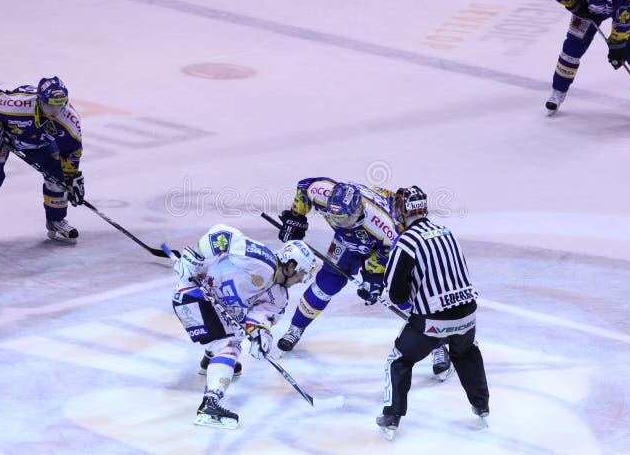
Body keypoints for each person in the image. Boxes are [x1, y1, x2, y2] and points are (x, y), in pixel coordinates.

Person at [275, 177, 452, 379]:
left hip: (386, 247)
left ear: (358, 210)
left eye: (344, 219)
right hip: (348, 241)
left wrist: (373, 277)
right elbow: (304, 188)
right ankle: (295, 328)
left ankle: (438, 344)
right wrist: (297, 216)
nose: (339, 223)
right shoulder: (323, 193)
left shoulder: (383, 225)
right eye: (335, 218)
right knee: (325, 284)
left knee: (403, 297)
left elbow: (390, 250)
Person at [171, 224, 318, 429]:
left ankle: (211, 360)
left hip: (208, 305)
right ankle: (210, 405)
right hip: (192, 294)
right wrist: (196, 256)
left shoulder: (279, 296)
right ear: (291, 265)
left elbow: (260, 319)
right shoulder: (263, 261)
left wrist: (261, 338)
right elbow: (223, 234)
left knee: (238, 328)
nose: (302, 280)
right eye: (302, 273)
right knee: (230, 345)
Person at [376, 186, 489, 440]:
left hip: (432, 321)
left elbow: (397, 295)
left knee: (399, 359)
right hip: (468, 314)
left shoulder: (406, 242)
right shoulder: (448, 233)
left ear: (402, 211)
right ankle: (481, 405)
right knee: (466, 352)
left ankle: (392, 416)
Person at [0, 77, 84, 244]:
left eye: (59, 105)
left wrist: (71, 177)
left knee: (58, 176)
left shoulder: (69, 120)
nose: (54, 111)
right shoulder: (16, 105)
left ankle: (55, 221)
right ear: (39, 100)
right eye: (49, 105)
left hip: (38, 141)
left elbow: (71, 151)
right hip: (1, 137)